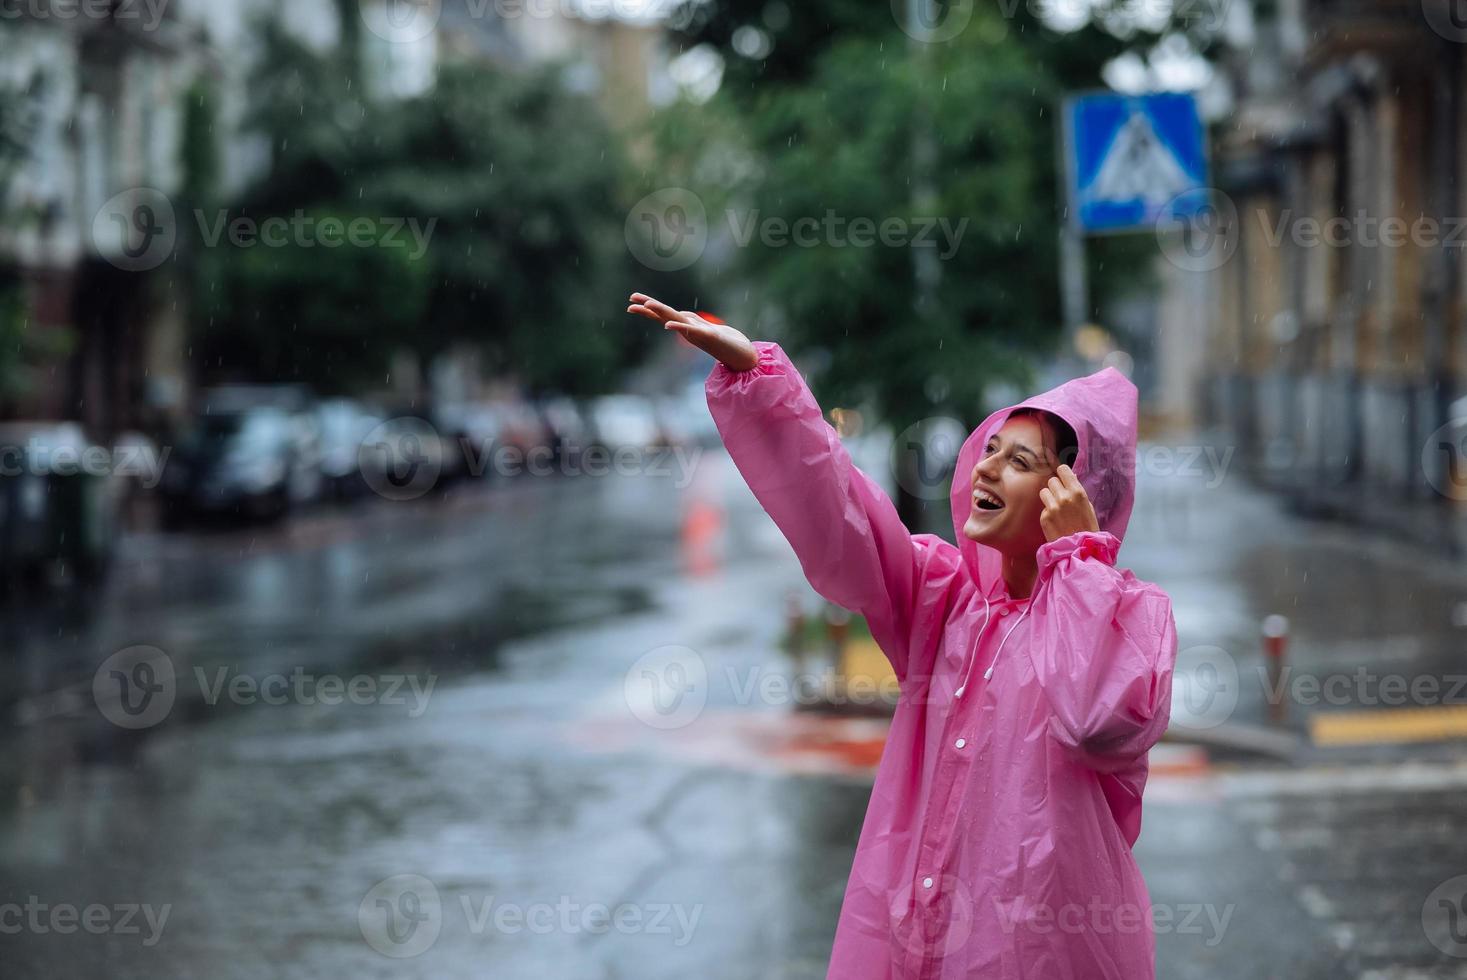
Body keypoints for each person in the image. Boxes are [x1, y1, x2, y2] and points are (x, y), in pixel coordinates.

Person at [628, 294, 1179, 980]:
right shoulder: (947, 603)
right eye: (990, 450)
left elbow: (1095, 720)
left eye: (1018, 461)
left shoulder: (1128, 615)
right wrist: (763, 382)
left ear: (1071, 490)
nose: (982, 468)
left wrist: (1077, 560)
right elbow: (844, 513)